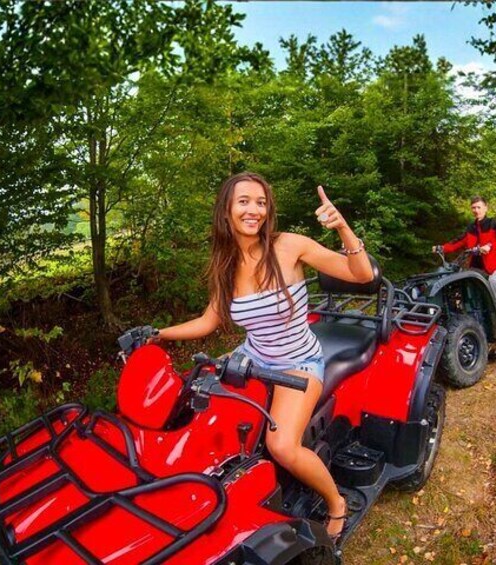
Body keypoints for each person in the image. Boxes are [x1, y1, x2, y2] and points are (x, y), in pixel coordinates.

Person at [154, 172, 373, 541]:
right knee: (198, 408)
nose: (253, 209)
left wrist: (342, 229)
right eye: (244, 201)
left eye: (261, 202)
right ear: (226, 209)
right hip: (252, 355)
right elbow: (209, 320)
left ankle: (336, 503)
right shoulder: (225, 263)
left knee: (282, 446)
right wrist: (158, 334)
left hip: (297, 362)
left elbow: (362, 274)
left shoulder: (289, 245)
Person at [432, 196, 496, 334]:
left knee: (494, 280)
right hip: (480, 271)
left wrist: (490, 246)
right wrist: (441, 248)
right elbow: (457, 242)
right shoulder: (471, 228)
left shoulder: (493, 224)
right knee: (463, 282)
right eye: (473, 208)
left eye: (479, 207)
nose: (476, 210)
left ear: (485, 208)